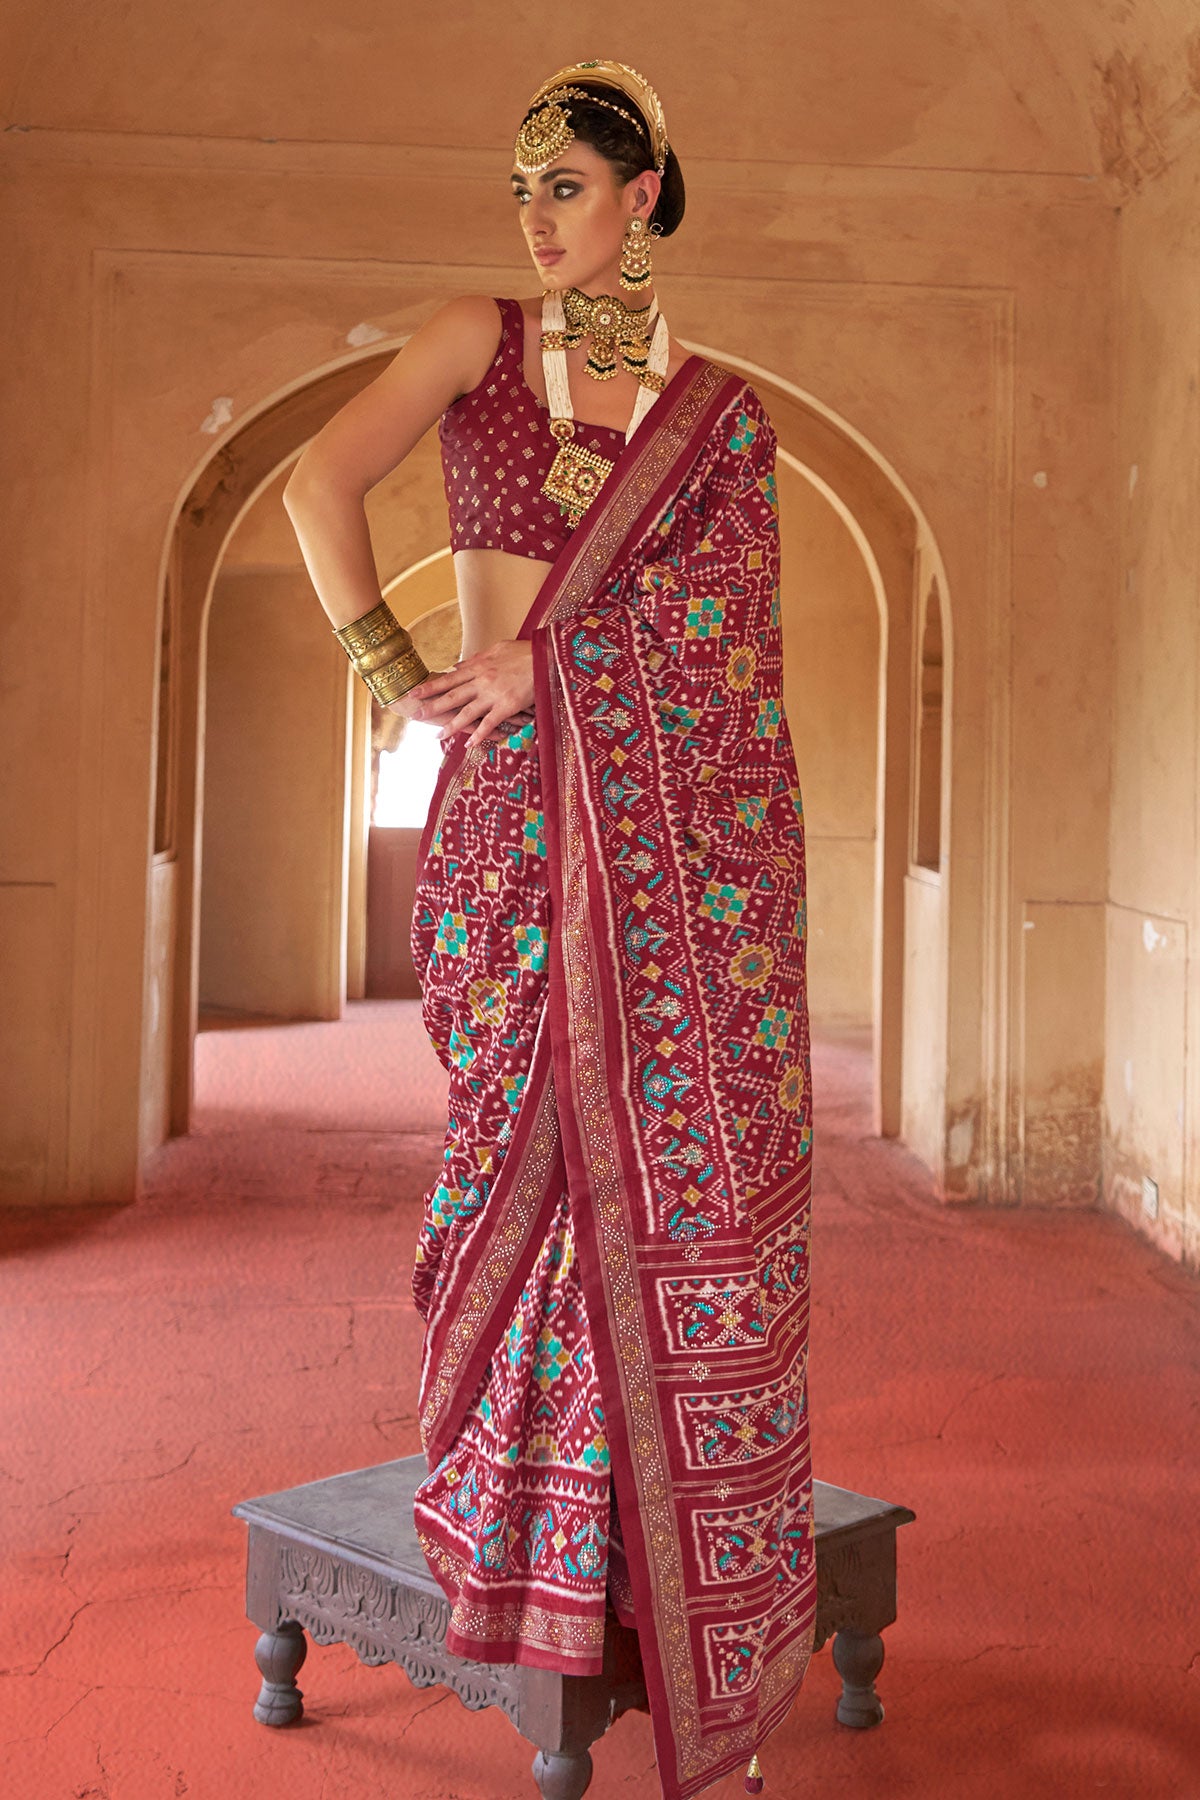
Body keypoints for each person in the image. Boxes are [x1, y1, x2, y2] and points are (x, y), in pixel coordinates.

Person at [282, 59, 816, 1800]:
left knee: (638, 1183)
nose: (538, 216)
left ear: (646, 193)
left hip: (653, 856)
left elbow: (735, 662)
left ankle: (623, 1553)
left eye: (568, 187)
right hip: (507, 833)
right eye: (523, 186)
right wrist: (401, 683)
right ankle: (512, 1516)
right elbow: (317, 486)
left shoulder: (722, 418)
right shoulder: (480, 335)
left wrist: (561, 665)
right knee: (508, 1159)